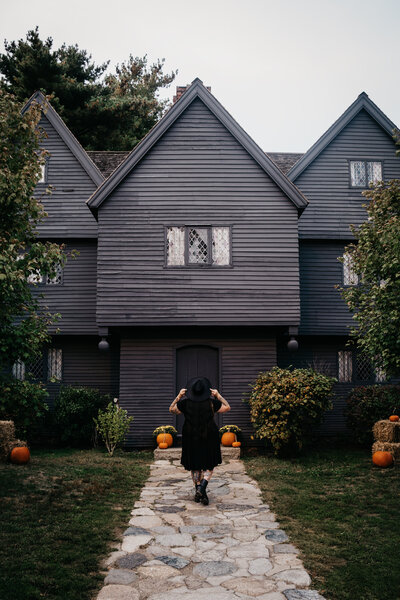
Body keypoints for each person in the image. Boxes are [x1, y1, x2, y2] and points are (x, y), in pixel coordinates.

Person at [169, 376, 231, 505]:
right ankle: (202, 487)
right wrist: (218, 395)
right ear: (206, 391)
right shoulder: (212, 403)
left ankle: (198, 489)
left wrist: (179, 396)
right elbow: (227, 407)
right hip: (209, 436)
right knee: (209, 463)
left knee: (195, 464)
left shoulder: (184, 403)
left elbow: (172, 409)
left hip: (191, 437)